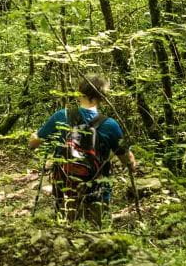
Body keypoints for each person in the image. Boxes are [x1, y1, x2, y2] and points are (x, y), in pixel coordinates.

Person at [28, 75, 136, 226]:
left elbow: (33, 143)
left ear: (79, 93)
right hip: (97, 192)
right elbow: (128, 160)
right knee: (96, 237)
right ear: (103, 97)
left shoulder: (61, 115)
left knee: (66, 232)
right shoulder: (111, 125)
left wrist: (33, 136)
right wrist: (130, 164)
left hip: (65, 190)